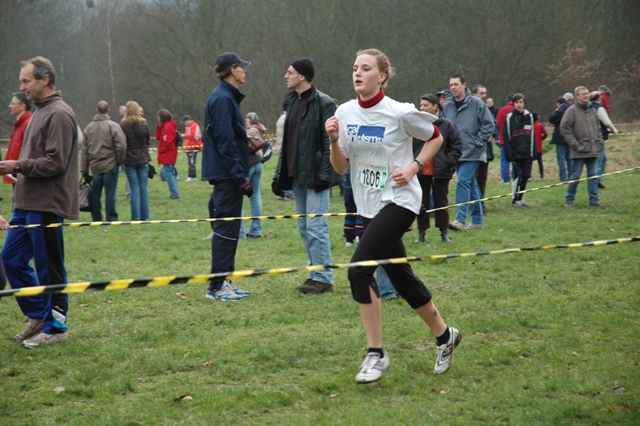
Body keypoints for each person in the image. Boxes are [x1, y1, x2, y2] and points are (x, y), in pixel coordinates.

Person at [325, 48, 461, 384]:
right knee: (401, 278)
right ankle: (446, 336)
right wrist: (332, 141)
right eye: (355, 67)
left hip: (400, 200)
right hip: (367, 204)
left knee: (358, 273)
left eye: (366, 68)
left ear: (381, 76)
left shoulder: (399, 112)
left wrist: (413, 166)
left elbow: (436, 137)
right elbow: (341, 167)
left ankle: (376, 354)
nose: (358, 73)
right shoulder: (343, 112)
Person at [0, 56, 78, 347]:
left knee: (49, 267)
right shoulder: (40, 112)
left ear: (44, 80)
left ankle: (56, 327)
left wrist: (17, 166)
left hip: (46, 204)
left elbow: (55, 162)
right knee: (11, 259)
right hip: (25, 204)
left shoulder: (59, 113)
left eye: (26, 81)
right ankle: (38, 315)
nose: (22, 88)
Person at [272, 58, 337, 294]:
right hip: (296, 174)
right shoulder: (290, 101)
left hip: (316, 176)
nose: (285, 76)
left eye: (289, 72)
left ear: (302, 76)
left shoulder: (324, 103)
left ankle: (323, 278)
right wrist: (280, 176)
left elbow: (329, 142)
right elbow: (288, 143)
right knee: (303, 226)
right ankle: (314, 274)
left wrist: (324, 174)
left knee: (316, 225)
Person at [202, 51, 253, 301]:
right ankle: (217, 287)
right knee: (225, 230)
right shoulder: (222, 98)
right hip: (227, 176)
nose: (245, 70)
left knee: (230, 230)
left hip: (228, 175)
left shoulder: (226, 96)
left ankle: (226, 280)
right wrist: (239, 176)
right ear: (233, 70)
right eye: (242, 67)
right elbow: (225, 141)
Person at [443, 73, 494, 230]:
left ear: (464, 85)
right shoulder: (448, 105)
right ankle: (478, 220)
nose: (453, 87)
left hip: (473, 151)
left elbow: (489, 124)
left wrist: (477, 141)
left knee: (463, 181)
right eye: (451, 85)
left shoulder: (477, 103)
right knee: (471, 185)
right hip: (456, 151)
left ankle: (460, 220)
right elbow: (444, 126)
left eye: (456, 84)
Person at [414, 94, 462, 243]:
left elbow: (457, 146)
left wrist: (448, 162)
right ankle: (421, 233)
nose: (422, 108)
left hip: (441, 171)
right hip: (421, 171)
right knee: (421, 203)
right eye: (421, 105)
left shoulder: (447, 125)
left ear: (435, 106)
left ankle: (444, 232)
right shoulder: (415, 125)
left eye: (425, 105)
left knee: (441, 202)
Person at [81, 100, 127, 221]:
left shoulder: (88, 128)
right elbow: (121, 146)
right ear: (108, 110)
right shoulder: (113, 126)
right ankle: (111, 218)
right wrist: (119, 161)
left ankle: (96, 218)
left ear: (96, 110)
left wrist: (84, 170)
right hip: (110, 164)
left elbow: (84, 151)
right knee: (110, 193)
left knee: (95, 194)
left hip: (95, 166)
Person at [561, 86, 606, 209]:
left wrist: (599, 141)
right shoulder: (571, 111)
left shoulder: (593, 109)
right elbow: (565, 130)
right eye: (583, 94)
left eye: (587, 93)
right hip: (579, 151)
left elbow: (598, 127)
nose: (586, 96)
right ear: (577, 96)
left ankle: (594, 201)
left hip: (593, 149)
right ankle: (569, 200)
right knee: (575, 176)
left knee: (593, 176)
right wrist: (576, 145)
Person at [502, 93, 535, 207]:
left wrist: (532, 151)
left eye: (521, 102)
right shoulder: (509, 117)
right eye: (517, 102)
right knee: (518, 175)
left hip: (526, 152)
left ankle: (520, 198)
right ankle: (515, 199)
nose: (519, 105)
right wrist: (509, 153)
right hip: (515, 153)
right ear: (513, 104)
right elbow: (507, 136)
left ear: (524, 103)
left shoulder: (529, 116)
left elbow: (532, 135)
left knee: (526, 175)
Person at [120, 101, 151, 220]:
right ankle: (145, 216)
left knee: (133, 188)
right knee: (143, 188)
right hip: (143, 158)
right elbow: (147, 141)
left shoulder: (122, 125)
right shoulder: (144, 124)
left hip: (129, 158)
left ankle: (135, 218)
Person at [239, 112, 267, 239]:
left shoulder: (238, 128)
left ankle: (240, 232)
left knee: (237, 198)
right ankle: (256, 230)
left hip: (247, 164)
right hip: (257, 163)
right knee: (255, 197)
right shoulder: (256, 129)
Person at [471, 84, 495, 215]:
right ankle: (472, 205)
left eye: (485, 93)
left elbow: (493, 123)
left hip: (486, 151)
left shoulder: (486, 108)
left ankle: (481, 205)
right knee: (472, 179)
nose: (484, 96)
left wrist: (491, 133)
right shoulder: (470, 109)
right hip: (473, 150)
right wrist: (481, 137)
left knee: (482, 179)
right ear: (474, 94)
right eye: (481, 93)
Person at [4, 92, 32, 191]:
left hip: (22, 175)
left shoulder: (28, 124)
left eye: (13, 103)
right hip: (16, 174)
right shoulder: (20, 124)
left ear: (22, 106)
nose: (9, 106)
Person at [590, 91, 618, 189]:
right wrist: (614, 130)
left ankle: (597, 180)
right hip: (599, 137)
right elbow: (606, 122)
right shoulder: (599, 108)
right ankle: (596, 181)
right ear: (599, 98)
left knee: (603, 159)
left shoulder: (588, 107)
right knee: (600, 160)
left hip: (590, 136)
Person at [155, 109, 180, 199]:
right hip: (170, 152)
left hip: (168, 152)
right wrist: (159, 127)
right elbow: (158, 137)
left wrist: (161, 151)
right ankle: (175, 192)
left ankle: (174, 193)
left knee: (168, 173)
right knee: (171, 172)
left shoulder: (167, 127)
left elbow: (167, 141)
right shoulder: (166, 126)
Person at [549, 93, 574, 181]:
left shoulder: (561, 109)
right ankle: (572, 175)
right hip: (570, 135)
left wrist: (556, 111)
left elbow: (552, 119)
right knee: (570, 157)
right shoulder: (572, 108)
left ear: (558, 103)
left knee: (561, 157)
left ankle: (563, 176)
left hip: (560, 136)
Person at [496, 94, 515, 184]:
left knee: (505, 160)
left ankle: (506, 179)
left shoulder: (503, 110)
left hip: (504, 138)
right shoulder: (518, 109)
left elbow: (499, 124)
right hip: (516, 138)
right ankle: (516, 176)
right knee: (516, 159)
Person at [182, 115, 202, 182]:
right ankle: (193, 176)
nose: (184, 124)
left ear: (188, 121)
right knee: (190, 161)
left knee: (192, 161)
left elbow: (193, 136)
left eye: (184, 122)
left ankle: (191, 176)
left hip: (194, 146)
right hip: (188, 147)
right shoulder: (188, 127)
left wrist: (184, 135)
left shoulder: (194, 126)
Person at [532, 113, 548, 180]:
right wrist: (541, 139)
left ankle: (529, 176)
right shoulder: (539, 125)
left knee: (529, 162)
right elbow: (546, 134)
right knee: (540, 162)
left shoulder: (529, 126)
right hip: (538, 147)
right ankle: (541, 176)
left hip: (531, 147)